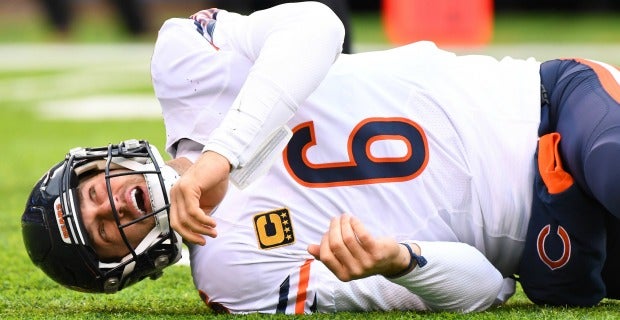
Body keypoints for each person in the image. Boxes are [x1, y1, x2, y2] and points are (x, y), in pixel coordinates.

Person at [21, 1, 620, 314]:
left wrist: (219, 157)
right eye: (104, 231)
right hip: (551, 248)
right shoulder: (236, 279)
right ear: (127, 266)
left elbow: (320, 28)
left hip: (549, 111)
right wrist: (403, 261)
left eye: (94, 193)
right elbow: (490, 292)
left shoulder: (184, 67)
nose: (112, 208)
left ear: (103, 161)